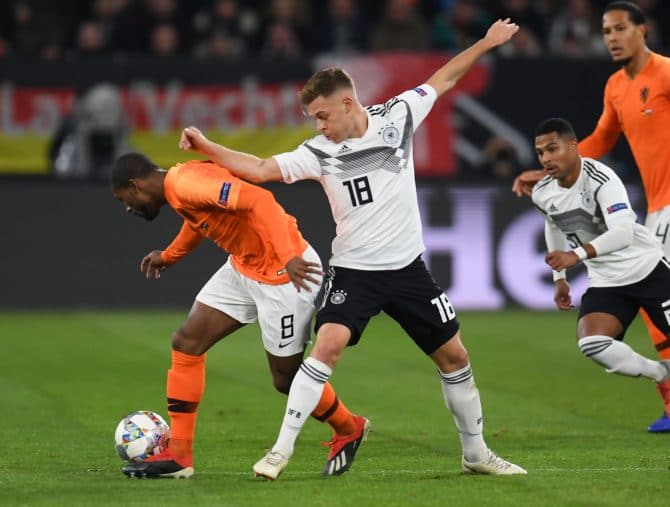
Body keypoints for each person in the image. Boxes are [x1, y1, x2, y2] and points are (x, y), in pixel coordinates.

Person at [179, 18, 527, 479]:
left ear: (348, 103)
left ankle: (477, 455)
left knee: (455, 358)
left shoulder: (399, 116)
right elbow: (261, 168)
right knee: (327, 348)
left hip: (407, 272)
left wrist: (486, 42)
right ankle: (280, 451)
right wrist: (208, 145)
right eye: (314, 120)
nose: (320, 126)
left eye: (323, 116)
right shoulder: (319, 151)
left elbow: (444, 78)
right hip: (354, 272)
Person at [110, 153, 363, 478]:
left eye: (124, 199)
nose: (128, 208)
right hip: (244, 266)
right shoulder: (180, 187)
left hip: (285, 274)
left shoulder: (187, 182)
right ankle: (179, 456)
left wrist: (287, 257)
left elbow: (261, 201)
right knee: (187, 342)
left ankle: (348, 427)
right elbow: (198, 219)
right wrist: (170, 256)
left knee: (286, 379)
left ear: (135, 186)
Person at [512, 1, 670, 432]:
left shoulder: (666, 72)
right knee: (657, 321)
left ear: (643, 30)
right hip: (658, 208)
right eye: (606, 31)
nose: (613, 38)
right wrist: (549, 167)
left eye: (621, 28)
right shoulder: (617, 86)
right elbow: (600, 138)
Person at [531, 117, 670, 402]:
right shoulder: (542, 192)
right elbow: (554, 224)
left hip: (647, 269)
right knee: (592, 343)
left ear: (573, 146)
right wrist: (560, 280)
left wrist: (576, 255)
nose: (546, 158)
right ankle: (663, 374)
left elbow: (623, 231)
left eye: (553, 149)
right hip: (607, 281)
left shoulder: (600, 179)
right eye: (541, 152)